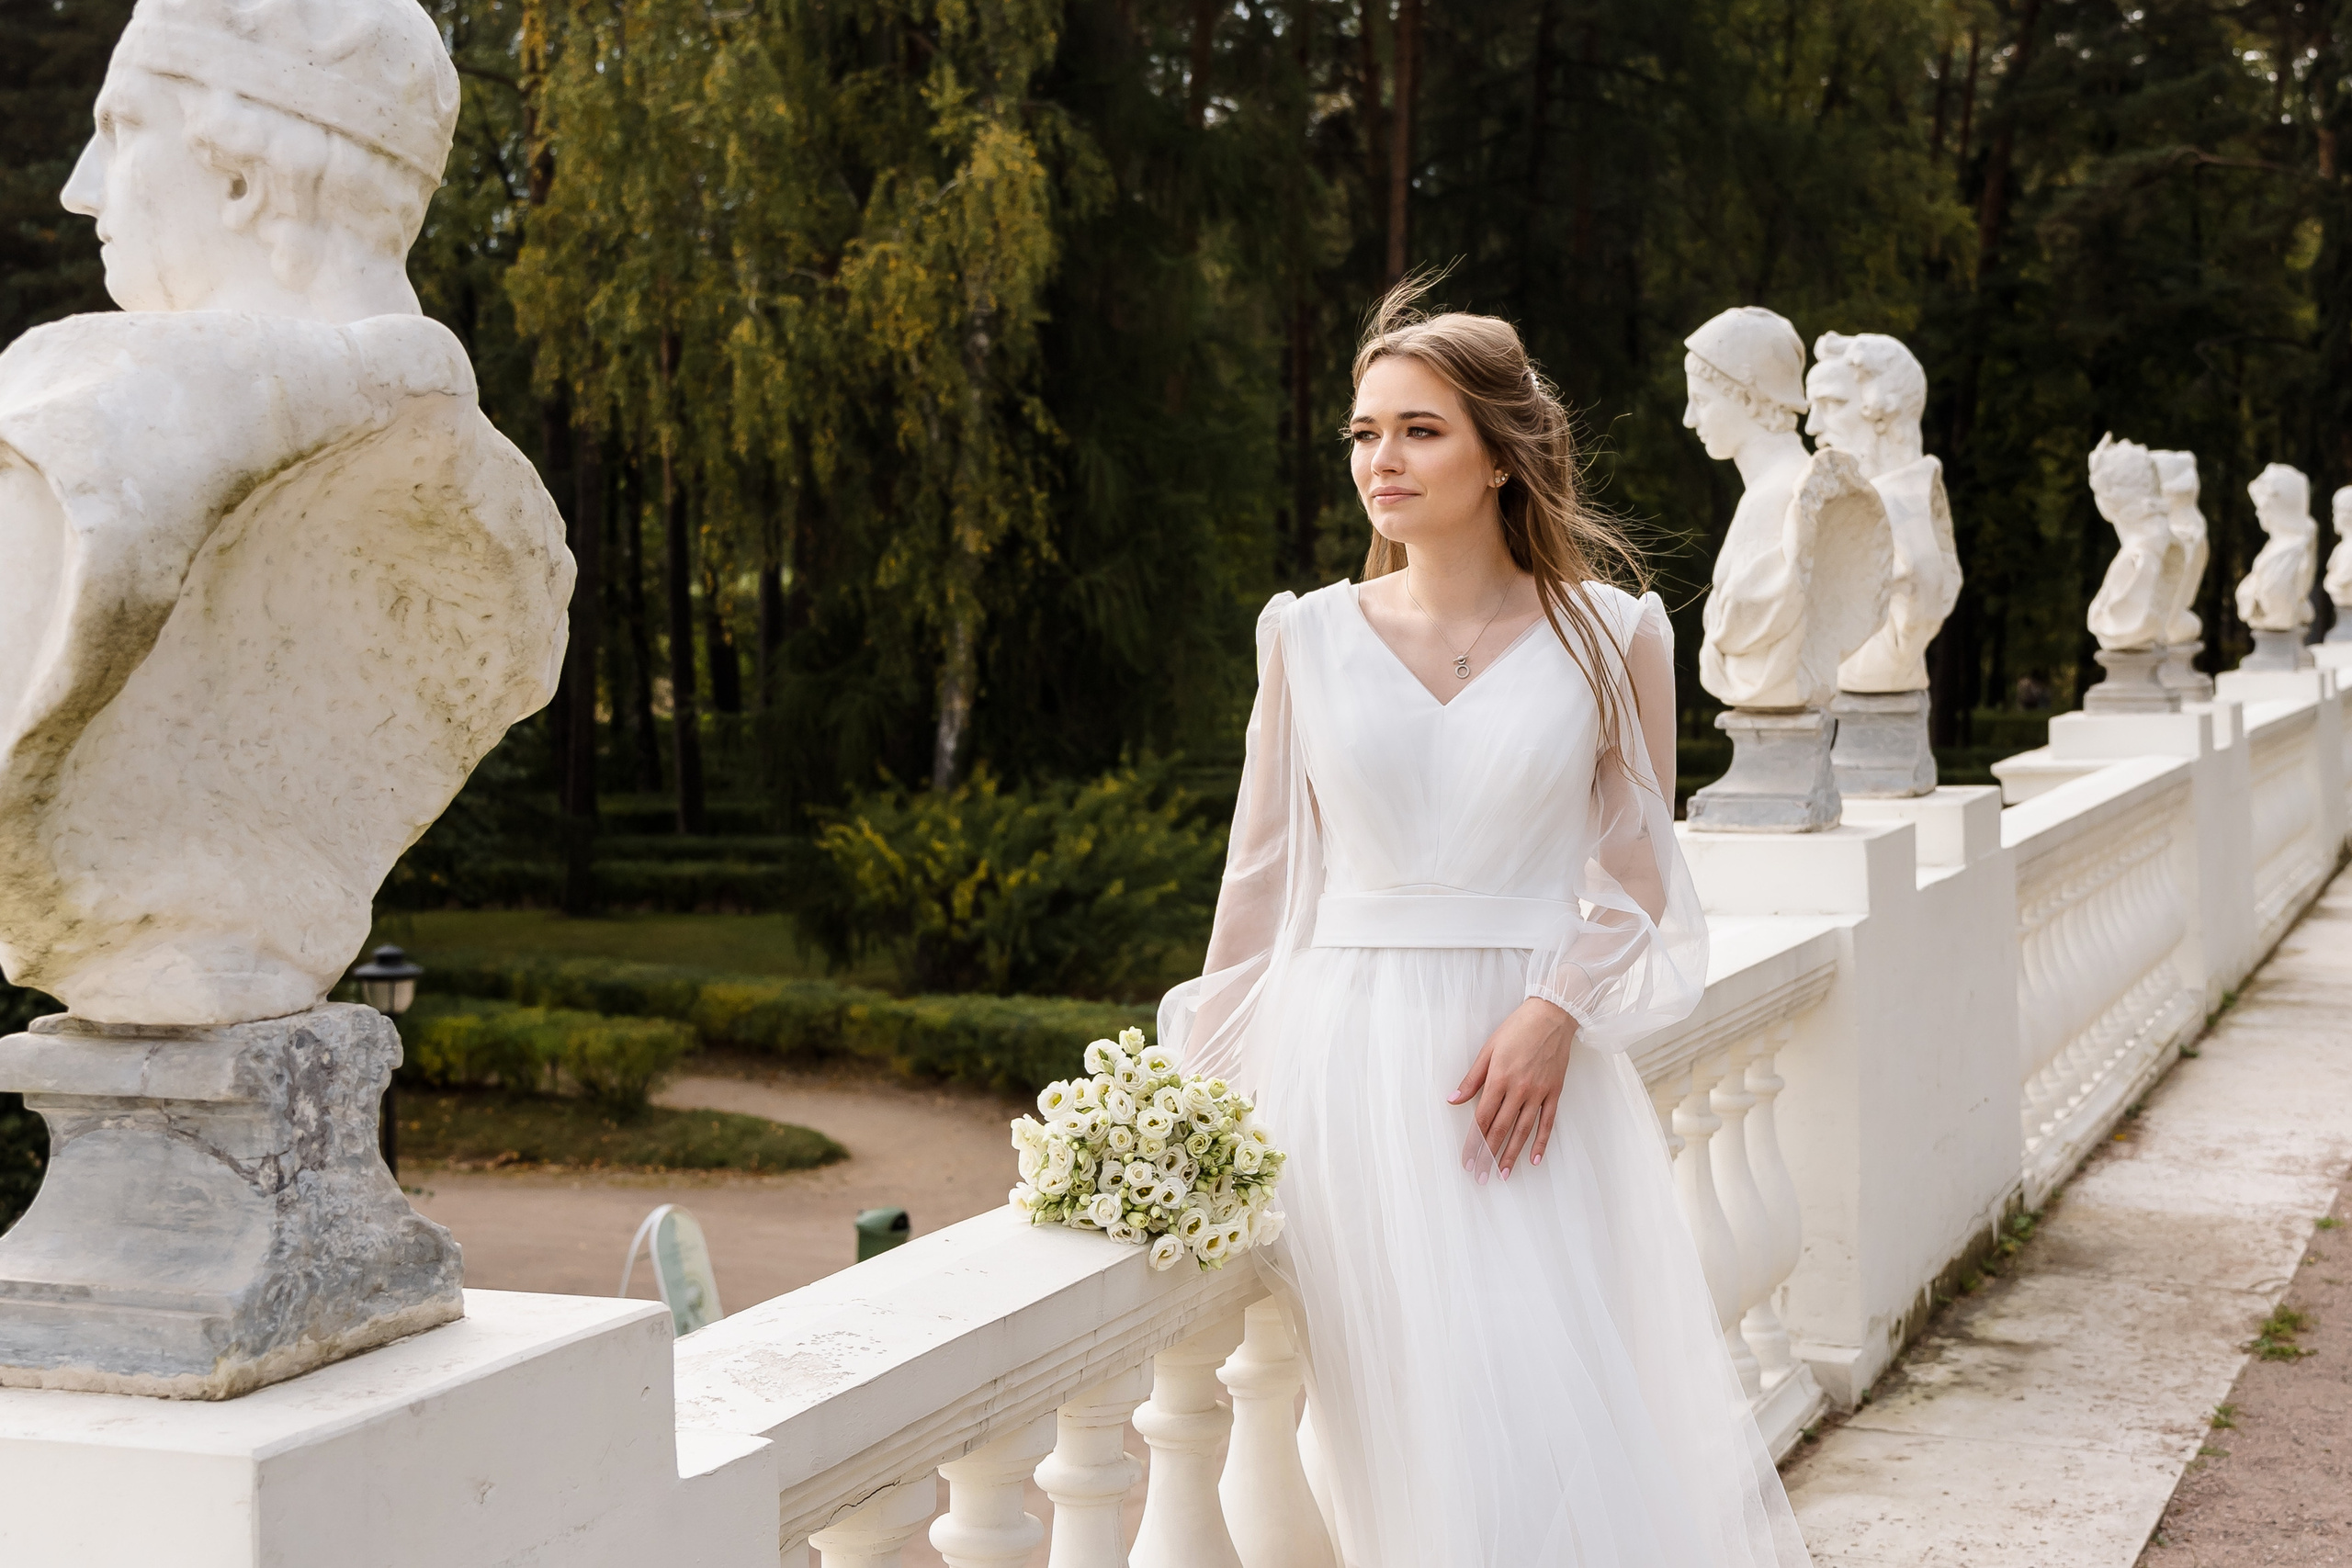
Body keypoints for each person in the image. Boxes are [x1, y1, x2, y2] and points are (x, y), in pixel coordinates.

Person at [1159, 280, 1810, 1566]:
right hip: (1341, 1061)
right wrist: (1186, 1103)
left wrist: (1555, 1009)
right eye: (1362, 433)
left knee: (1543, 1409)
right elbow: (1260, 886)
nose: (1378, 462)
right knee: (1388, 1432)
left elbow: (1637, 872)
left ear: (1502, 455)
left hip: (1520, 1074)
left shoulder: (1613, 632)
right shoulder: (1304, 636)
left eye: (1417, 430)